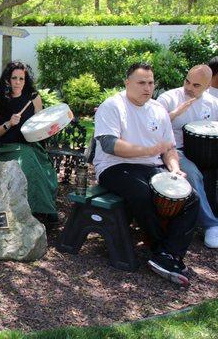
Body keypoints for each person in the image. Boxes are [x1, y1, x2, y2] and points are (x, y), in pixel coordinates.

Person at [93, 62, 199, 286]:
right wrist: (147, 150)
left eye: (150, 83)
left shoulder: (158, 109)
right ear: (127, 83)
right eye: (141, 82)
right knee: (143, 194)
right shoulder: (112, 106)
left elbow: (169, 148)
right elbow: (110, 145)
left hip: (151, 167)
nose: (147, 87)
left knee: (190, 198)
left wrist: (175, 169)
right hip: (114, 166)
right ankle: (160, 249)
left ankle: (168, 254)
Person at [0, 61, 58, 222]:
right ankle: (36, 212)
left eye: (22, 78)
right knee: (27, 162)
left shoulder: (33, 98)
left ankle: (42, 209)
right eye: (14, 78)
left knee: (39, 165)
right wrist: (8, 124)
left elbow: (40, 127)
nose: (18, 82)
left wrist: (50, 129)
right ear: (7, 79)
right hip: (6, 148)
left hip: (31, 146)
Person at [157, 64, 218, 249]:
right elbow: (152, 126)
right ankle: (211, 225)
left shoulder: (213, 103)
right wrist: (176, 113)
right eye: (187, 81)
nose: (189, 88)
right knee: (193, 174)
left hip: (207, 150)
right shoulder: (168, 98)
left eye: (196, 85)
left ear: (208, 86)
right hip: (175, 150)